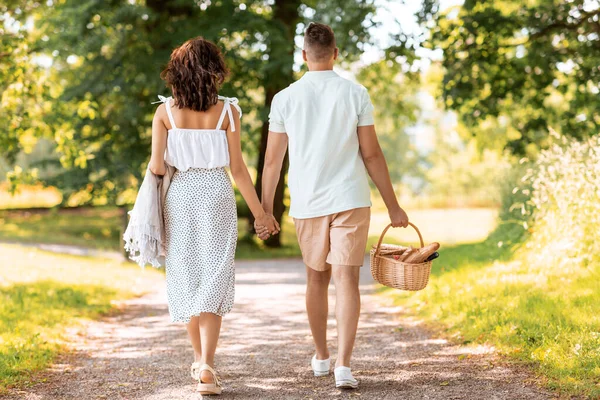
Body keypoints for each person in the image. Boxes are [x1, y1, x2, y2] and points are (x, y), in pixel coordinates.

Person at [257, 22, 410, 389]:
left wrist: (265, 211)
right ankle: (344, 365)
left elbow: (273, 162)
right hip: (351, 198)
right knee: (346, 279)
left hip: (309, 203)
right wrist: (394, 206)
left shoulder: (285, 98)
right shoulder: (355, 93)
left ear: (304, 55)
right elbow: (371, 154)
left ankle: (322, 356)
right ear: (336, 53)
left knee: (316, 278)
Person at [148, 37, 278, 395]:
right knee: (214, 275)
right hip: (216, 194)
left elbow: (157, 166)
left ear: (179, 72)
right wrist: (261, 215)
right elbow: (238, 169)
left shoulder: (164, 114)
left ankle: (199, 361)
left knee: (187, 276)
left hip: (181, 196)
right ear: (214, 71)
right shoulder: (228, 112)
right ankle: (207, 363)